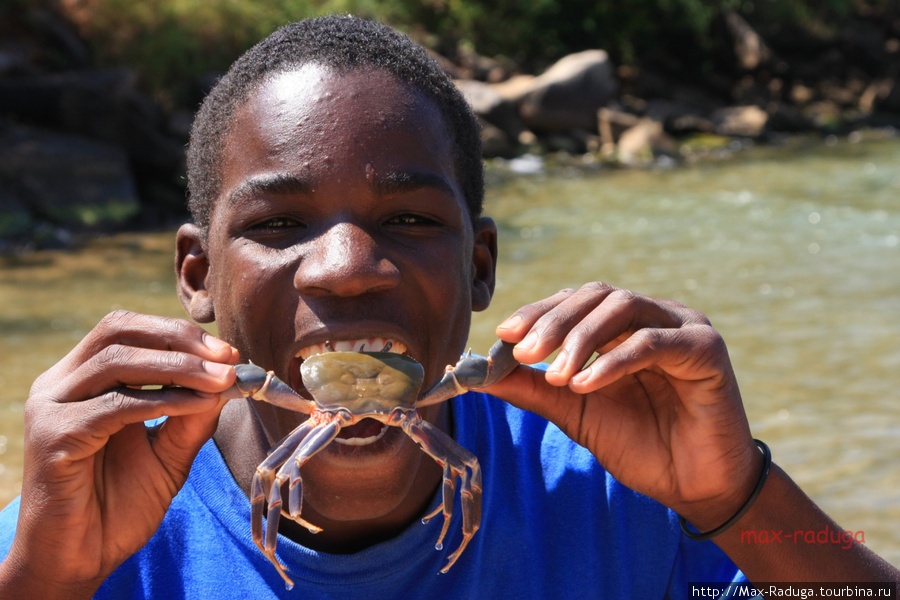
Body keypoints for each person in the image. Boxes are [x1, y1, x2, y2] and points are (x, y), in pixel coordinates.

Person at [0, 15, 897, 599]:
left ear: (480, 267)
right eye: (279, 223)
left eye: (408, 218)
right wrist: (42, 581)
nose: (348, 268)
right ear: (197, 276)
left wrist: (736, 495)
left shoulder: (616, 492)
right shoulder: (80, 519)